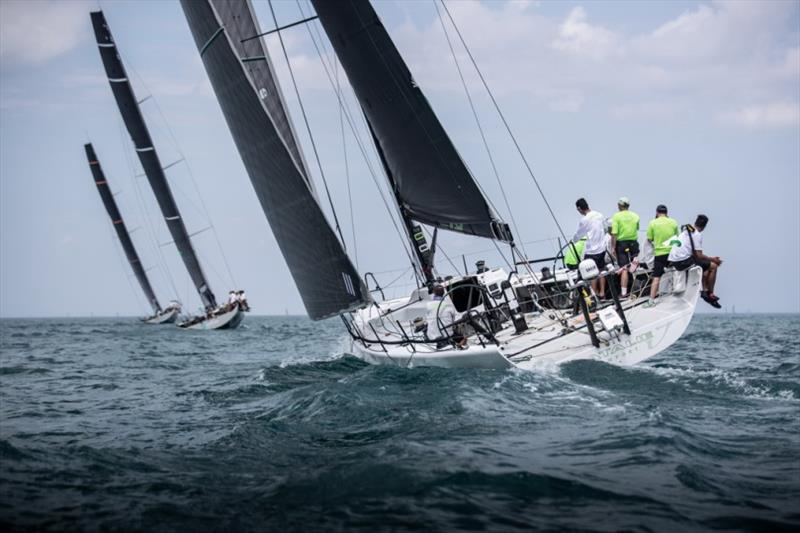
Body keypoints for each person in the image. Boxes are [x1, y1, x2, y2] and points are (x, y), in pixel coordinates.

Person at [668, 215, 722, 308]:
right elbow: (699, 255)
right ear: (705, 226)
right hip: (682, 262)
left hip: (674, 260)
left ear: (695, 222)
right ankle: (710, 293)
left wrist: (707, 259)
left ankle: (704, 290)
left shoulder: (687, 229)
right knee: (714, 266)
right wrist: (713, 259)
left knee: (705, 264)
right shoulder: (697, 234)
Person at [644, 204, 678, 307]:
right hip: (672, 253)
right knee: (675, 271)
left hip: (659, 253)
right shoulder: (673, 222)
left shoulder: (652, 223)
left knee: (656, 277)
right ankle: (677, 290)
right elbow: (677, 238)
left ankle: (651, 300)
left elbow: (649, 239)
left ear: (657, 213)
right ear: (667, 213)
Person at [572, 198, 607, 298]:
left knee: (591, 273)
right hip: (602, 248)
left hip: (592, 250)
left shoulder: (585, 220)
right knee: (601, 270)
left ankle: (594, 295)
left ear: (579, 208)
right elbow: (604, 228)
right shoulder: (599, 215)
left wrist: (573, 240)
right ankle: (602, 293)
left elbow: (578, 235)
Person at [610, 197, 640, 297]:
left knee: (624, 269)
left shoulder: (616, 216)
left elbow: (614, 233)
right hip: (633, 242)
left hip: (622, 243)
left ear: (619, 206)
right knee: (634, 264)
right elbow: (637, 228)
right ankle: (638, 286)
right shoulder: (635, 215)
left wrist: (613, 247)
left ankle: (624, 293)